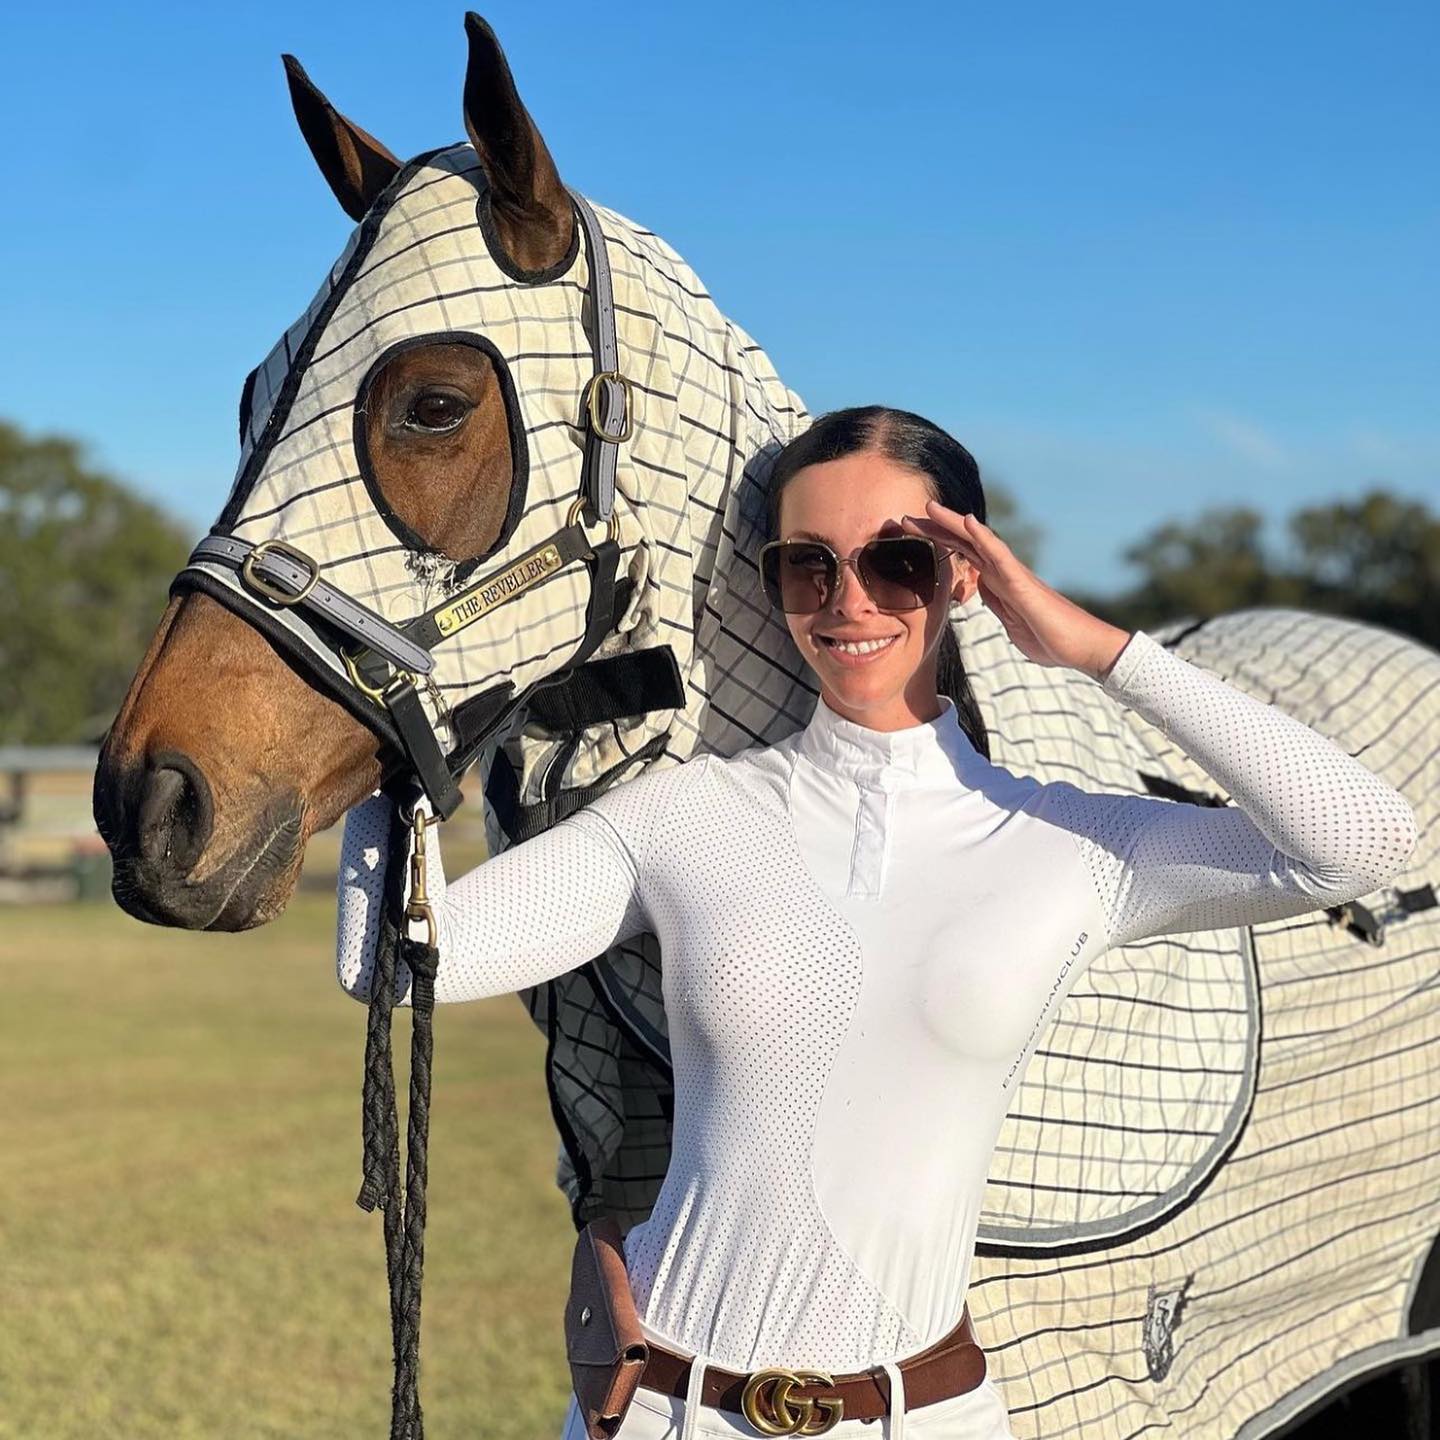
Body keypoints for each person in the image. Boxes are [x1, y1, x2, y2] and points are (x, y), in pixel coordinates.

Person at [336, 406, 1418, 1440]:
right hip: (658, 1411)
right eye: (809, 563)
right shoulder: (685, 816)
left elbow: (1360, 843)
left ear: (965, 571)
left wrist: (1095, 649)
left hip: (927, 1417)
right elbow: (391, 955)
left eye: (896, 560)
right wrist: (389, 725)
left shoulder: (1067, 843)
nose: (847, 600)